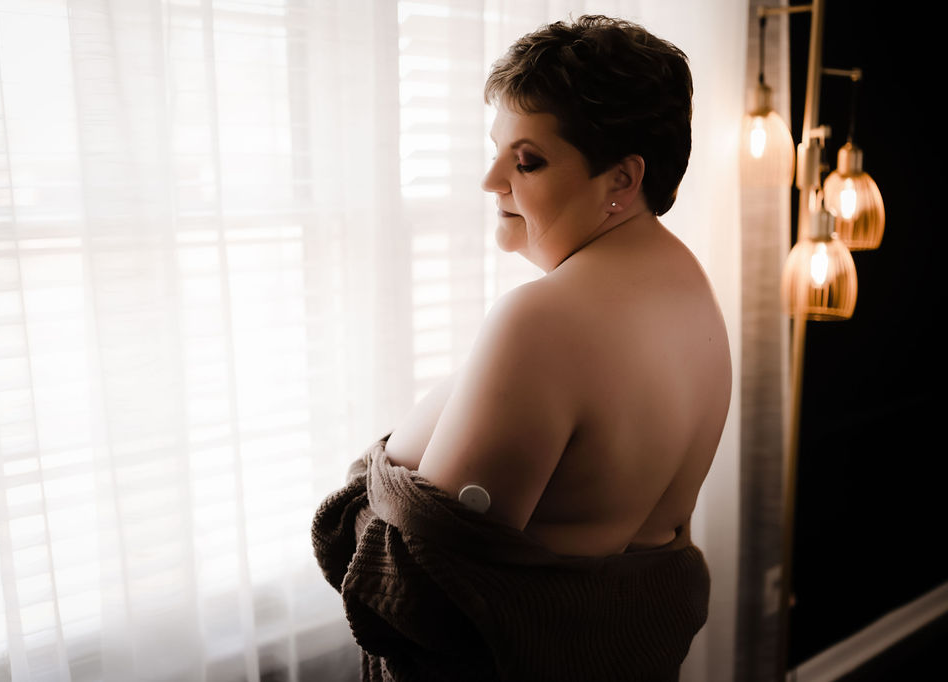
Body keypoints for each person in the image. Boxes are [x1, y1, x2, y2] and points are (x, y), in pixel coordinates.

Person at [313, 15, 731, 681]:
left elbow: (423, 592)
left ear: (622, 180)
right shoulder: (694, 298)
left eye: (527, 160)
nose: (490, 182)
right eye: (497, 151)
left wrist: (373, 493)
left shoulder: (545, 318)